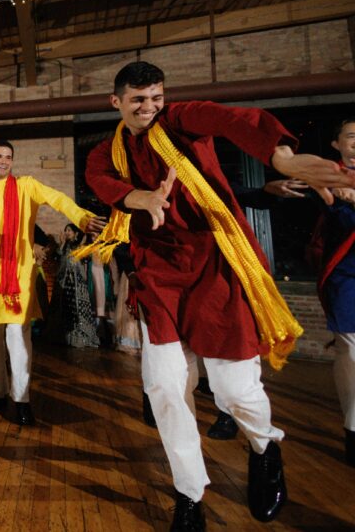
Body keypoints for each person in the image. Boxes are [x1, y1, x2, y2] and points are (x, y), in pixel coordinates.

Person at [81, 61, 355, 529]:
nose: (149, 108)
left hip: (214, 267)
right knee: (166, 388)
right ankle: (189, 493)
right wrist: (141, 198)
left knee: (235, 391)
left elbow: (233, 119)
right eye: (137, 100)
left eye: (155, 98)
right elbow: (101, 181)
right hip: (159, 275)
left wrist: (282, 157)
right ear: (117, 102)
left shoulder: (180, 121)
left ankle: (265, 447)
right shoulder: (107, 151)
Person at [0, 141, 104, 424]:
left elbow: (58, 199)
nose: (4, 161)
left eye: (8, 157)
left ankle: (21, 400)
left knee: (19, 338)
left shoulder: (26, 187)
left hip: (19, 274)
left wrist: (82, 217)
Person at [316, 118, 355, 466]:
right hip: (347, 276)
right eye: (352, 137)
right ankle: (353, 429)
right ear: (337, 144)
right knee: (351, 349)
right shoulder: (330, 175)